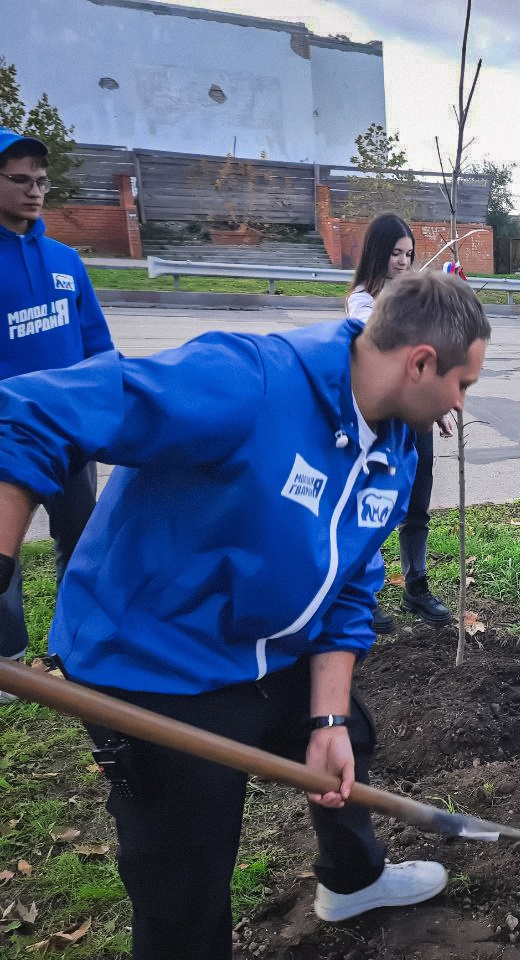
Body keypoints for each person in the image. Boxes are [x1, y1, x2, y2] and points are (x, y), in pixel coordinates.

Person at [0, 270, 491, 960]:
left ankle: (352, 881)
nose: (460, 406)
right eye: (462, 385)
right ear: (419, 363)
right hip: (158, 664)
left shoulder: (396, 448)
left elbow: (350, 589)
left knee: (351, 737)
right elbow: (31, 412)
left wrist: (325, 721)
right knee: (186, 876)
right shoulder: (247, 381)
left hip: (267, 647)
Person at [0, 126, 114, 703]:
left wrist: (106, 413)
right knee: (5, 553)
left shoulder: (66, 262)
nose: (34, 191)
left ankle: (74, 644)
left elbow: (98, 348)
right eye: (19, 180)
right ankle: (8, 660)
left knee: (83, 540)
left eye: (41, 181)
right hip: (5, 444)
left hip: (69, 437)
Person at [348, 214, 453, 630]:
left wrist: (437, 408)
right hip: (382, 421)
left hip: (414, 419)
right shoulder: (363, 301)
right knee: (374, 507)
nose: (403, 261)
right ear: (378, 252)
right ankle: (363, 594)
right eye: (395, 253)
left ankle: (416, 586)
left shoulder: (409, 297)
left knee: (416, 505)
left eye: (409, 254)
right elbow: (383, 356)